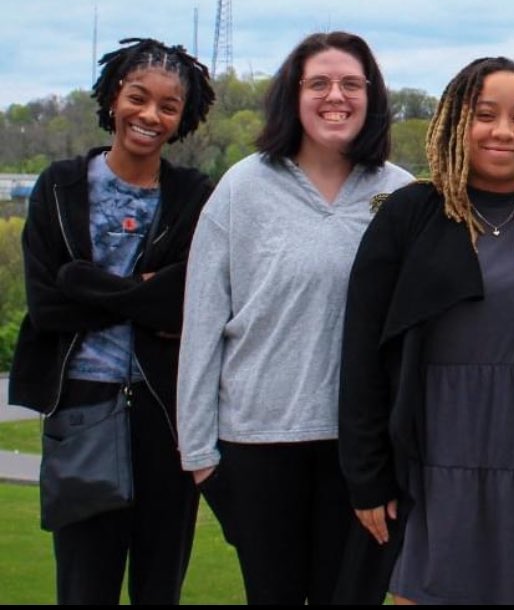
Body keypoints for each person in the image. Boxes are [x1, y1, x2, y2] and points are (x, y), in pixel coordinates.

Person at [337, 55, 514, 606]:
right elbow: (361, 355)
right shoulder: (411, 214)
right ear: (455, 122)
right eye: (485, 114)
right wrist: (367, 478)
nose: (504, 131)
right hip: (429, 458)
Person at [177, 30, 413, 605]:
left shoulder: (401, 194)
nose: (337, 96)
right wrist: (201, 458)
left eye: (351, 83)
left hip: (360, 451)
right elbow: (202, 321)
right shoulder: (244, 187)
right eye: (319, 83)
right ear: (294, 95)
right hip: (257, 446)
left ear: (372, 96)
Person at [9, 37, 216, 604]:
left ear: (182, 117)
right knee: (84, 587)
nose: (150, 116)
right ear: (113, 98)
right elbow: (48, 309)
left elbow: (185, 304)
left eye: (168, 106)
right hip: (81, 408)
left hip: (167, 417)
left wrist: (84, 278)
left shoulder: (194, 196)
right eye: (138, 97)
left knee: (159, 587)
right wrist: (138, 293)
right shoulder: (59, 187)